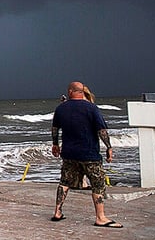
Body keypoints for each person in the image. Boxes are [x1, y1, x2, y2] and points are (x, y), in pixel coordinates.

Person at [50, 81, 122, 228]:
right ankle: (100, 217)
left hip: (69, 154)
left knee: (64, 182)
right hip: (89, 154)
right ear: (82, 92)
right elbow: (102, 131)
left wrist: (55, 144)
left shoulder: (61, 109)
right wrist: (108, 147)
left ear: (70, 92)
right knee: (98, 184)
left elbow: (55, 129)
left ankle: (57, 212)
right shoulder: (91, 108)